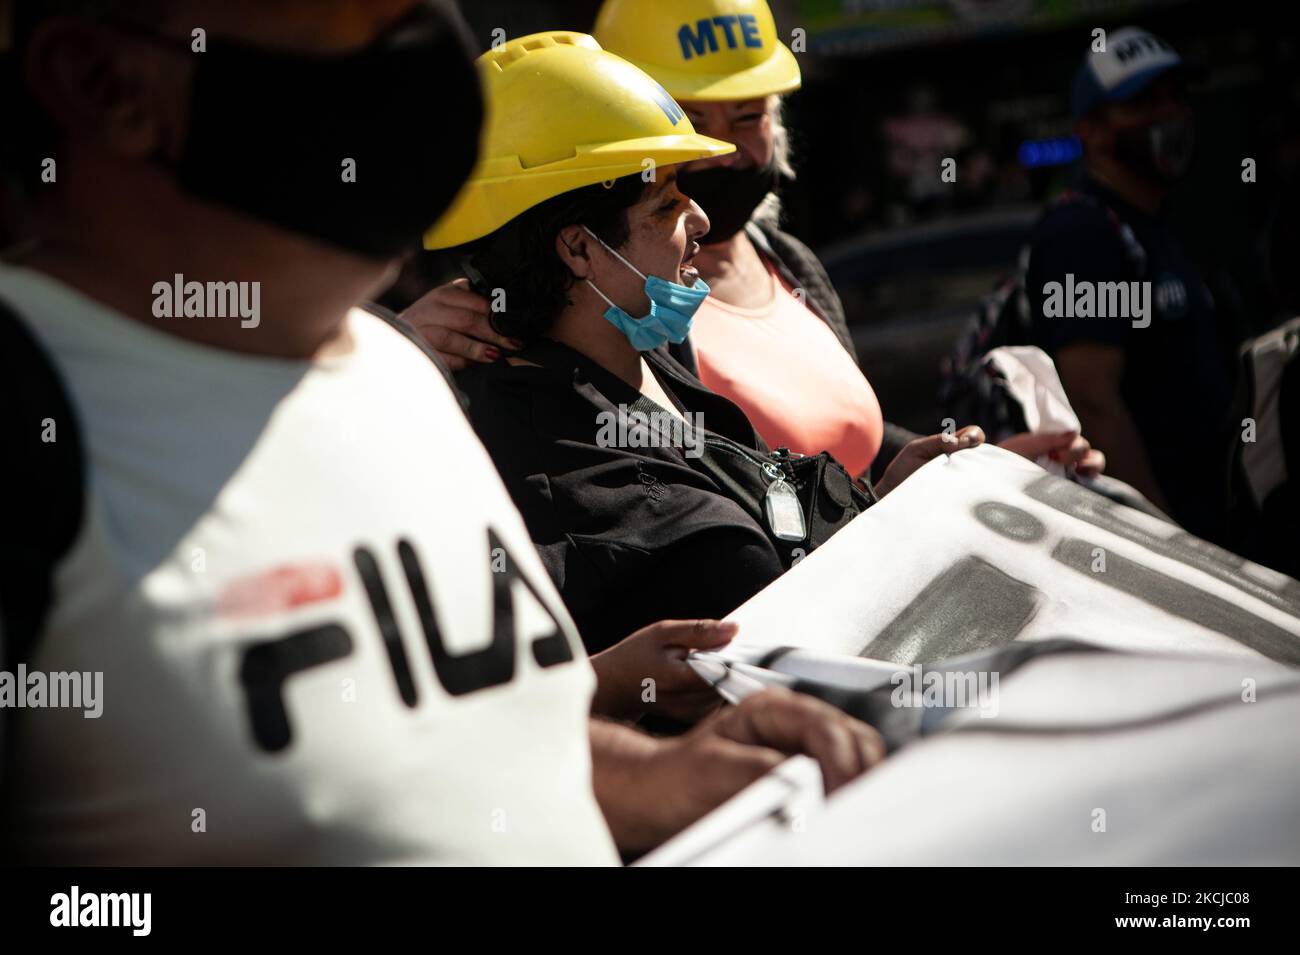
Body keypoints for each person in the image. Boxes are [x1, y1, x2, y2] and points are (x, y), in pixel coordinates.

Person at [0, 0, 883, 865]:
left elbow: (461, 731)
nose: (416, 53)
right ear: (102, 81)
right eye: (350, 19)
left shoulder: (400, 371)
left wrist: (662, 777)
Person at [422, 30, 986, 663]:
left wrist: (878, 506)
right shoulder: (575, 473)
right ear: (578, 249)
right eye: (666, 205)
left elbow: (773, 518)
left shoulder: (641, 357)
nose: (702, 220)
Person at [404, 0, 1105, 487]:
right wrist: (395, 347)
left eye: (747, 116)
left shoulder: (789, 263)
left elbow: (846, 447)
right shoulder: (620, 307)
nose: (724, 150)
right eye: (690, 120)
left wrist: (974, 469)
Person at [1023, 26, 1234, 541]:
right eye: (1143, 104)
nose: (1168, 116)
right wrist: (1171, 542)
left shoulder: (1156, 224)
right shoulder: (1084, 233)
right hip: (1172, 536)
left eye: (1174, 98)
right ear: (1092, 130)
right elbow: (1094, 399)